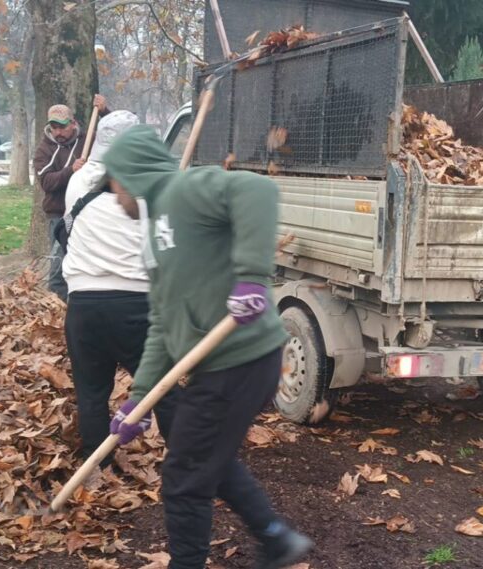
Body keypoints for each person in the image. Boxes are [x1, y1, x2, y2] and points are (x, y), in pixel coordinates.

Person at [102, 126, 312, 569]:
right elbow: (164, 322)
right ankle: (277, 539)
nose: (111, 193)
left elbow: (257, 190)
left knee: (183, 478)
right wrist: (138, 398)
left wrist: (253, 274)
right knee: (204, 458)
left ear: (131, 174)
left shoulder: (185, 190)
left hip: (241, 359)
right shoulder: (156, 228)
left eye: (112, 181)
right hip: (222, 367)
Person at [59, 110, 145, 467]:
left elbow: (69, 231)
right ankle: (188, 461)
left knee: (92, 392)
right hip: (137, 305)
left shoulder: (79, 183)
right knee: (161, 388)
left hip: (84, 305)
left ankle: (97, 468)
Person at [33, 102, 93, 300]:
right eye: (54, 127)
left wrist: (104, 110)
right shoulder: (44, 149)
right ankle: (56, 305)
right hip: (59, 215)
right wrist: (71, 170)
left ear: (73, 124)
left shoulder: (87, 141)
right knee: (59, 262)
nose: (58, 132)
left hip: (85, 212)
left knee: (86, 259)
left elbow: (113, 136)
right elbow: (47, 182)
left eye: (62, 126)